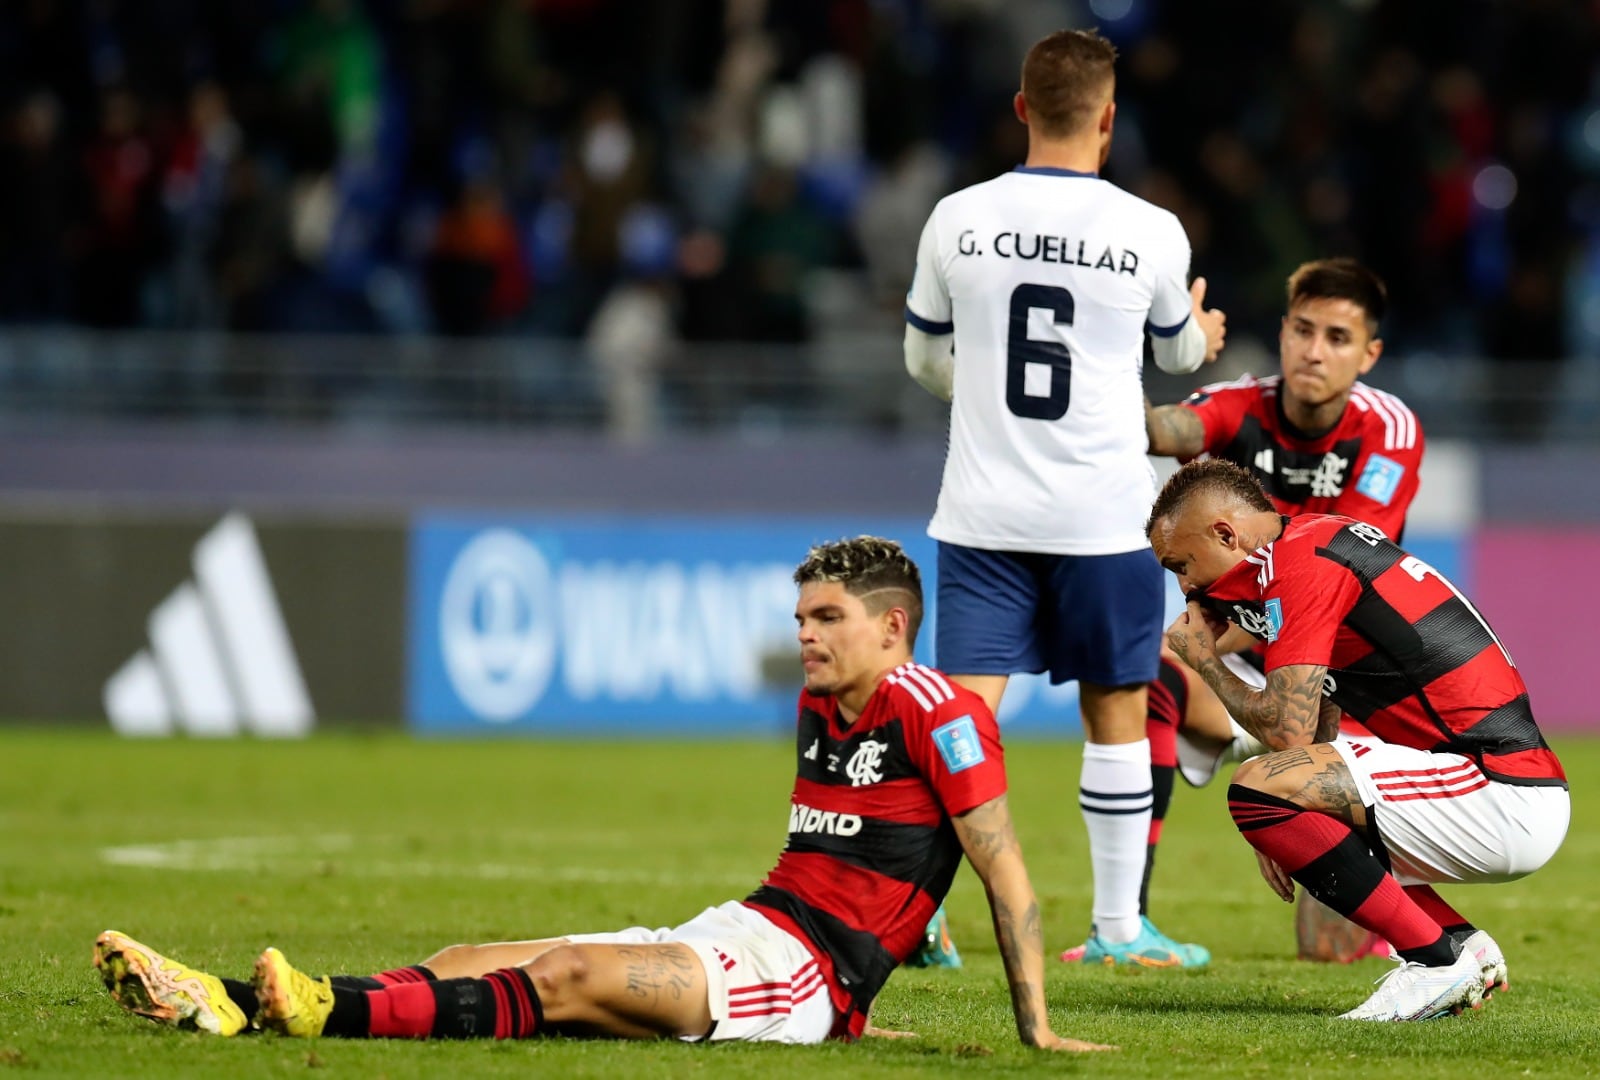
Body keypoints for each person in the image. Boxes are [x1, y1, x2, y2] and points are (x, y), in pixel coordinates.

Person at [93, 536, 1112, 1053]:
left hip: (794, 983)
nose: (804, 634)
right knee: (470, 959)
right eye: (800, 615)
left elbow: (1002, 874)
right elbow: (843, 867)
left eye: (827, 617)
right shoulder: (820, 708)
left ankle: (321, 1016)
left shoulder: (938, 714)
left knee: (568, 974)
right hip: (744, 933)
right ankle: (226, 1002)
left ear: (892, 628)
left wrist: (1032, 1026)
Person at [902, 27, 1226, 968]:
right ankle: (1119, 931)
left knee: (962, 714)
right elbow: (1175, 356)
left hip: (983, 509)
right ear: (1109, 118)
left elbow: (925, 360)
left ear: (1020, 108)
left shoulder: (956, 218)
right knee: (1117, 707)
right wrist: (1201, 330)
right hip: (1104, 514)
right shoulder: (1150, 229)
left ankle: (912, 907)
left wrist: (992, 399)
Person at [1068, 256, 1419, 964]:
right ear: (1283, 331)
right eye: (1302, 329)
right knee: (1148, 679)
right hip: (1251, 669)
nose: (1314, 351)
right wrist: (1123, 348)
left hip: (1345, 692)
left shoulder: (1389, 430)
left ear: (1369, 353)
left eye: (1338, 337)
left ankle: (1406, 899)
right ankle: (1125, 928)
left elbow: (1337, 568)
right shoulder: (1235, 405)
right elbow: (1159, 430)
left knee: (1330, 952)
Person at [1148, 458, 1568, 1020]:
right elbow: (1324, 704)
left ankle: (1436, 960)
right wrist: (1286, 810)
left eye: (1182, 564)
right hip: (1499, 783)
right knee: (1272, 794)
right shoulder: (1309, 545)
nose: (1184, 586)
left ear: (1226, 534)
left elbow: (1284, 726)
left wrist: (1206, 663)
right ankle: (1461, 944)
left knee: (1252, 787)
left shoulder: (1303, 562)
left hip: (1496, 785)